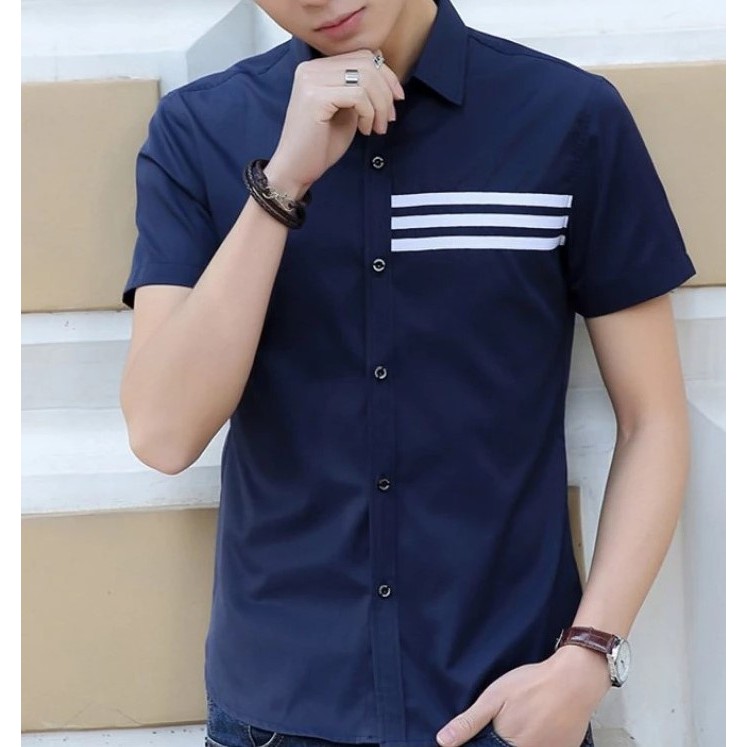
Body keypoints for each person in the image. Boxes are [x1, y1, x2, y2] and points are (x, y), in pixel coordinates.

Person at [119, 0, 697, 746]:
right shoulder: (198, 130)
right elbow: (164, 435)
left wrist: (589, 654)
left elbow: (653, 419)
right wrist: (282, 183)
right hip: (280, 709)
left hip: (507, 704)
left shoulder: (567, 116)